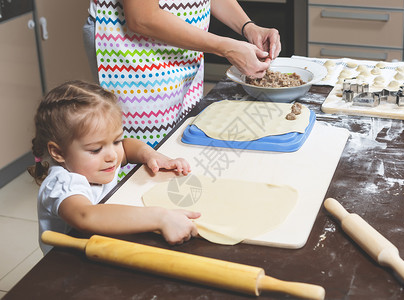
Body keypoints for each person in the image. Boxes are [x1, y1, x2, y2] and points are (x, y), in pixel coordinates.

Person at [83, 0, 281, 174]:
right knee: (144, 161)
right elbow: (142, 17)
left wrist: (248, 26)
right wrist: (226, 47)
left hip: (184, 51)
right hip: (134, 53)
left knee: (176, 149)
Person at [28, 80, 200, 255]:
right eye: (96, 149)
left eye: (115, 141)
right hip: (69, 267)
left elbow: (127, 146)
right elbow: (86, 217)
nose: (112, 156)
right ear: (58, 152)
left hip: (102, 248)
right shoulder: (62, 183)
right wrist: (160, 217)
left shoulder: (101, 160)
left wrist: (151, 155)